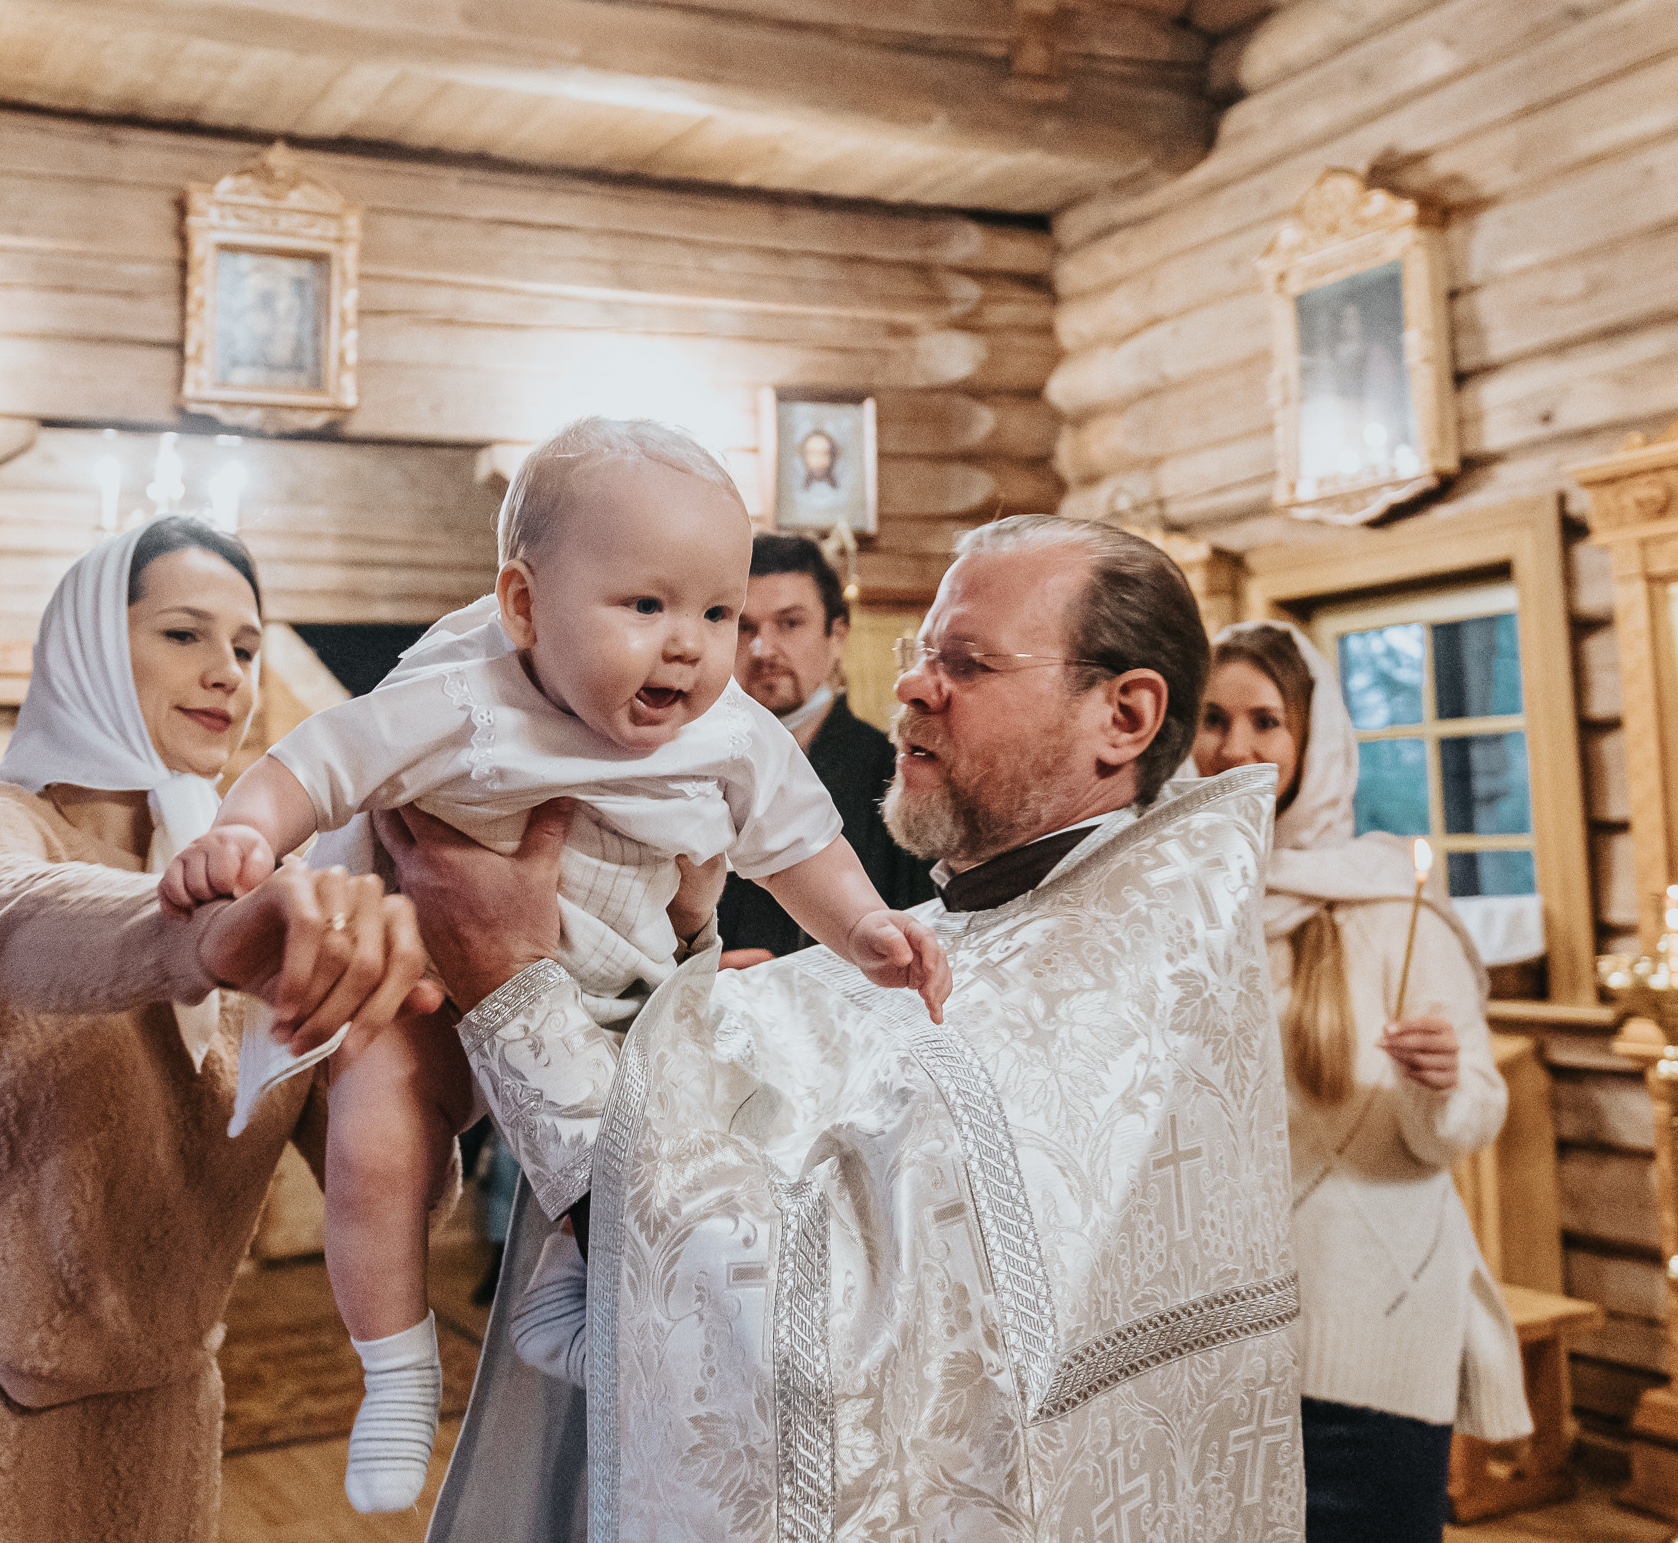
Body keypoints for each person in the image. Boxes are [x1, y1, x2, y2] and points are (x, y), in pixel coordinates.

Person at [392, 513, 1304, 1541]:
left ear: (1124, 716)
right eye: (922, 650)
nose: (912, 684)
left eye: (966, 660)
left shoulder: (1113, 1011)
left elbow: (792, 1367)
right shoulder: (992, 925)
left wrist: (514, 993)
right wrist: (687, 987)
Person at [158, 419, 949, 1513]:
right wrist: (243, 833)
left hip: (631, 998)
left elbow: (800, 839)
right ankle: (393, 1363)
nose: (690, 645)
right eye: (646, 607)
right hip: (437, 986)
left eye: (715, 612)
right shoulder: (467, 701)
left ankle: (568, 1284)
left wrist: (863, 929)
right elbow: (318, 761)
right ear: (525, 606)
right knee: (377, 1123)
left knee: (672, 1126)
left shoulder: (725, 729)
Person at [0, 517, 440, 1543]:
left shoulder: (268, 895)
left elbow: (386, 1190)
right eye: (185, 635)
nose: (228, 673)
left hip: (164, 1427)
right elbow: (44, 923)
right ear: (94, 646)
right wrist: (223, 936)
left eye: (246, 645)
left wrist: (417, 1024)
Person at [1196, 621, 1527, 1543]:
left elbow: (1465, 1122)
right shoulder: (1166, 898)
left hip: (1367, 1329)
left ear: (1313, 740)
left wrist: (1437, 1082)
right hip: (1209, 1334)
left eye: (1267, 720)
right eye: (1213, 718)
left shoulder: (1392, 901)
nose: (1236, 746)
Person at [719, 532, 935, 962]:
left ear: (837, 635)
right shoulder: (693, 768)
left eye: (790, 623)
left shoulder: (895, 773)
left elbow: (919, 930)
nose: (763, 649)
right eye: (744, 627)